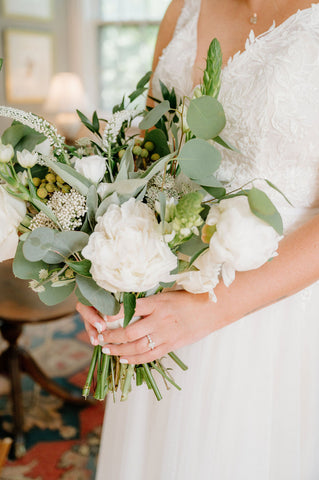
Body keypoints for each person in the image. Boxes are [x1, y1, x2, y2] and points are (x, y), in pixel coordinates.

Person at [77, 0, 319, 478]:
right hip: (164, 297)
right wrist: (106, 268)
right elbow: (146, 154)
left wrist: (207, 310)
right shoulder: (183, 8)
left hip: (282, 312)